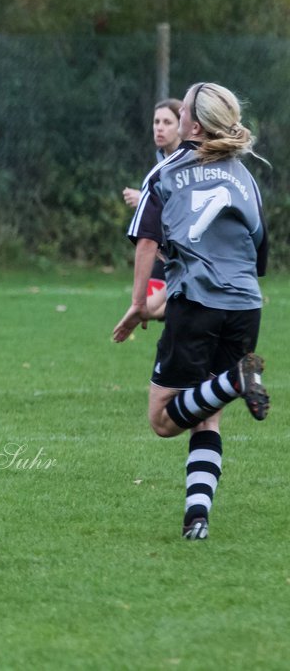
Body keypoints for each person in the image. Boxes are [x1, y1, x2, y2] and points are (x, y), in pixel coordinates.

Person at [112, 81, 270, 541]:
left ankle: (236, 380)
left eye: (181, 111)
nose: (177, 115)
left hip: (197, 303)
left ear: (193, 125)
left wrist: (139, 304)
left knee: (163, 420)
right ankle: (196, 517)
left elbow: (147, 240)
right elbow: (259, 253)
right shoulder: (245, 176)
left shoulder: (165, 173)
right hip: (245, 304)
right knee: (208, 415)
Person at [121, 99, 183, 321]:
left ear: (182, 126)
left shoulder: (187, 162)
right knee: (152, 311)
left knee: (156, 311)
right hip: (166, 254)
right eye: (156, 121)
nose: (159, 127)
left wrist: (145, 201)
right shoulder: (161, 160)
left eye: (167, 122)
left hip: (188, 256)